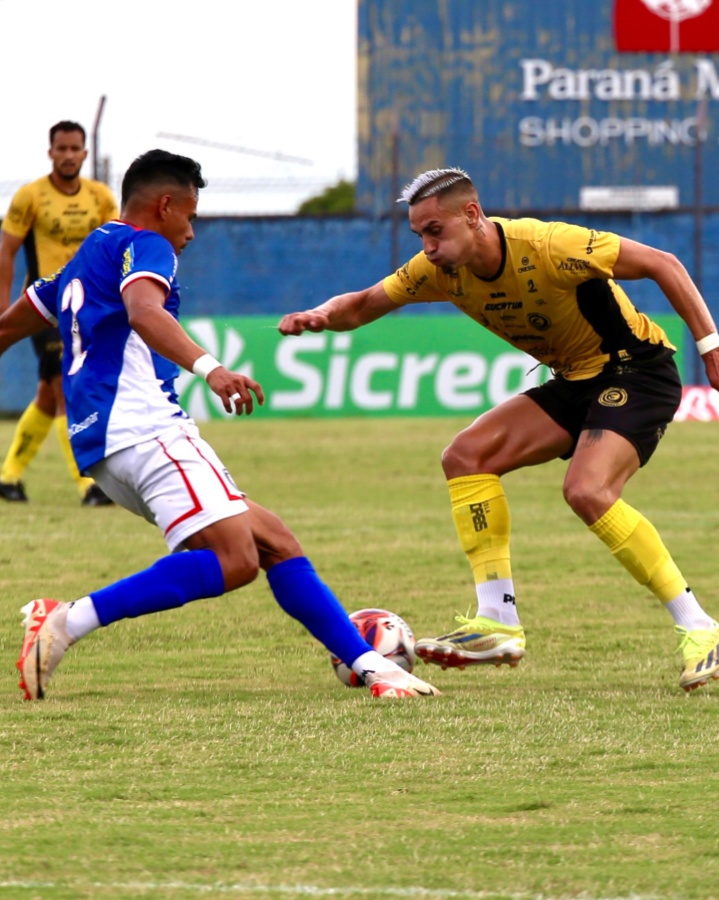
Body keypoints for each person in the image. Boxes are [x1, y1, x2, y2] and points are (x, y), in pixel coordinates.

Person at [1, 148, 440, 702]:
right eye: (189, 215)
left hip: (101, 444)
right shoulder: (147, 244)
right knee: (236, 561)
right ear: (164, 206)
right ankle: (67, 621)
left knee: (274, 541)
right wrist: (212, 369)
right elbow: (143, 310)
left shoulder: (83, 258)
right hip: (145, 428)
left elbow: (5, 329)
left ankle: (376, 669)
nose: (190, 231)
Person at [278, 166, 719, 694]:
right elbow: (367, 303)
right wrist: (320, 315)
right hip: (575, 379)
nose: (427, 245)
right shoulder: (437, 270)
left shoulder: (550, 244)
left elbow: (662, 263)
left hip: (636, 370)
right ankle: (498, 622)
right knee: (466, 456)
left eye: (434, 231)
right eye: (420, 234)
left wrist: (710, 349)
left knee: (586, 490)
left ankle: (700, 628)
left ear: (472, 214)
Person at [0, 120, 118, 506]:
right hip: (44, 308)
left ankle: (8, 476)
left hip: (89, 309)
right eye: (61, 149)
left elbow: (113, 248)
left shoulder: (100, 197)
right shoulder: (30, 196)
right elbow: (6, 252)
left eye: (75, 149)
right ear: (50, 152)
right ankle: (89, 485)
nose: (68, 155)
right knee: (66, 390)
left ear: (85, 153)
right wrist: (5, 312)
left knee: (48, 397)